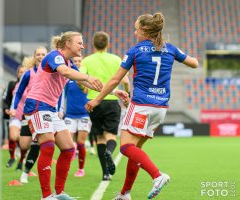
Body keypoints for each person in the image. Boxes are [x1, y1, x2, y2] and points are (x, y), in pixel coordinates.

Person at [85, 12, 199, 200]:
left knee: (125, 148)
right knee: (136, 150)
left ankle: (157, 175)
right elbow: (194, 63)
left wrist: (96, 100)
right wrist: (177, 56)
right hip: (160, 108)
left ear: (145, 30)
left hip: (141, 105)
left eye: (136, 28)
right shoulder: (170, 48)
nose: (134, 31)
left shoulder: (136, 50)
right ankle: (125, 194)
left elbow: (116, 79)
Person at [19, 31, 103, 200]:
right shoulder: (54, 57)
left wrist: (116, 91)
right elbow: (65, 72)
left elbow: (85, 82)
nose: (82, 46)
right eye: (79, 43)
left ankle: (59, 193)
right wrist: (88, 76)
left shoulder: (70, 63)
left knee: (68, 149)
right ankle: (46, 196)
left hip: (49, 109)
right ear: (67, 44)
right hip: (36, 105)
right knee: (48, 145)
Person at [81, 31, 130, 181]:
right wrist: (127, 96)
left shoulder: (87, 60)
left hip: (94, 101)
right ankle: (110, 152)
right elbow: (126, 82)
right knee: (111, 136)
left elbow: (81, 80)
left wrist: (85, 88)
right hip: (111, 101)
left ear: (93, 44)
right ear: (108, 44)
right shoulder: (115, 59)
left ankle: (105, 174)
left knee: (99, 137)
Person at [10, 46, 48, 182]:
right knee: (25, 145)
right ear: (34, 56)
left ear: (47, 56)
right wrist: (14, 107)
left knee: (37, 143)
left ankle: (25, 172)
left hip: (43, 112)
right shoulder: (28, 73)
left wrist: (59, 109)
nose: (41, 56)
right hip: (28, 113)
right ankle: (22, 158)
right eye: (38, 54)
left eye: (43, 54)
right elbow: (19, 92)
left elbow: (59, 93)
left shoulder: (51, 72)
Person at [58, 56, 91, 177]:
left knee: (81, 142)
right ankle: (66, 167)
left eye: (79, 61)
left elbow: (89, 92)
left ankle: (81, 169)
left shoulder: (86, 78)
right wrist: (60, 110)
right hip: (70, 115)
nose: (76, 63)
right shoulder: (67, 80)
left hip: (84, 114)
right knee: (68, 144)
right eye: (75, 61)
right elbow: (63, 96)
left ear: (82, 64)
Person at [3, 65, 25, 168]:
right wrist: (6, 108)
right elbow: (5, 99)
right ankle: (12, 157)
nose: (22, 74)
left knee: (24, 141)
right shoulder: (12, 84)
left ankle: (21, 161)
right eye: (20, 72)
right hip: (15, 115)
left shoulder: (31, 85)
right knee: (12, 136)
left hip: (27, 117)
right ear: (17, 73)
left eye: (24, 72)